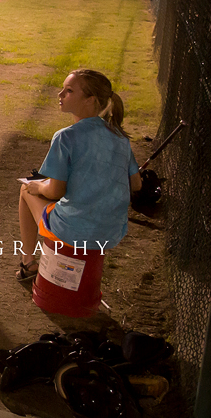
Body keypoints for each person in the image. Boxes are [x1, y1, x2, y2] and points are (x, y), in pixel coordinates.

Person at [15, 71, 142, 303]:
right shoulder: (120, 137)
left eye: (69, 91)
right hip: (112, 231)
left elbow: (55, 192)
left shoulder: (66, 137)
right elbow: (136, 183)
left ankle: (27, 263)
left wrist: (38, 188)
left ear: (90, 100)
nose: (60, 94)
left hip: (75, 231)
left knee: (26, 189)